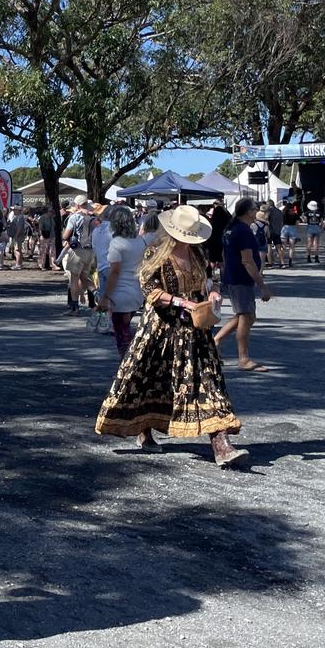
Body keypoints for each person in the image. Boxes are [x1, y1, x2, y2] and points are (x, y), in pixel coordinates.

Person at [96, 205, 249, 466]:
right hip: (161, 330)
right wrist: (182, 302)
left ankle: (221, 444)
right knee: (148, 380)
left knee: (209, 384)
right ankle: (144, 430)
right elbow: (151, 291)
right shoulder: (156, 253)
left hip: (195, 332)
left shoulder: (199, 254)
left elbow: (207, 282)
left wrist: (211, 294)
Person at [214, 198, 273, 372]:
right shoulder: (243, 231)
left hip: (232, 276)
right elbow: (247, 261)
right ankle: (243, 358)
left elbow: (226, 255)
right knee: (247, 316)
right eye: (255, 209)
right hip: (241, 278)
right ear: (248, 211)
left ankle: (216, 340)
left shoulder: (230, 228)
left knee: (243, 315)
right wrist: (261, 285)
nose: (257, 212)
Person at [95, 206, 146, 358]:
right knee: (126, 330)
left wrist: (105, 297)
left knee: (122, 335)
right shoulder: (140, 241)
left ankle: (127, 368)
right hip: (136, 292)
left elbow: (115, 272)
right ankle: (131, 364)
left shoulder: (117, 243)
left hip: (120, 293)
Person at [61, 195, 96, 315]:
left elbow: (65, 236)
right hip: (90, 251)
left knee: (74, 279)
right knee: (85, 277)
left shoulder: (74, 217)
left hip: (77, 251)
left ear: (77, 205)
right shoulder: (94, 217)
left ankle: (75, 307)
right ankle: (97, 295)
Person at [7, 205, 29, 270]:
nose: (13, 211)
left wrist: (16, 235)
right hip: (17, 235)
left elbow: (19, 228)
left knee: (17, 250)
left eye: (14, 209)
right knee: (18, 250)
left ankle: (18, 264)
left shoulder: (19, 217)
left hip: (18, 236)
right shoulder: (17, 217)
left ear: (18, 210)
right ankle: (19, 263)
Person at [265, 200, 285, 268]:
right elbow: (282, 222)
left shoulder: (269, 211)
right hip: (277, 231)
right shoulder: (279, 211)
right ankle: (282, 263)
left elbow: (266, 218)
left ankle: (270, 263)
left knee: (269, 247)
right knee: (279, 248)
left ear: (268, 205)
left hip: (270, 231)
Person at [279, 201, 299, 268]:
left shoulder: (283, 214)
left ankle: (282, 262)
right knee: (291, 246)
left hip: (285, 228)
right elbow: (297, 223)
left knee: (283, 246)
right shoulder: (295, 214)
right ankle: (290, 261)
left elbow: (281, 223)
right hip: (292, 228)